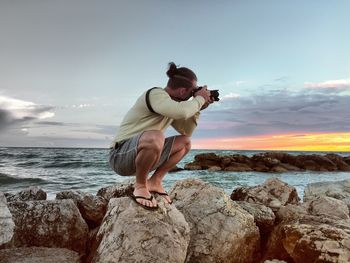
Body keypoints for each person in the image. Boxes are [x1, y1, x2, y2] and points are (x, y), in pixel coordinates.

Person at [109, 62, 212, 210]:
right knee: (156, 136)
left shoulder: (172, 104)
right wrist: (200, 98)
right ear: (183, 91)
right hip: (120, 156)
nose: (192, 96)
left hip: (143, 154)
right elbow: (181, 112)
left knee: (185, 142)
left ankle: (155, 181)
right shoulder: (156, 94)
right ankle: (140, 186)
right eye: (192, 92)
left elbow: (187, 130)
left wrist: (198, 108)